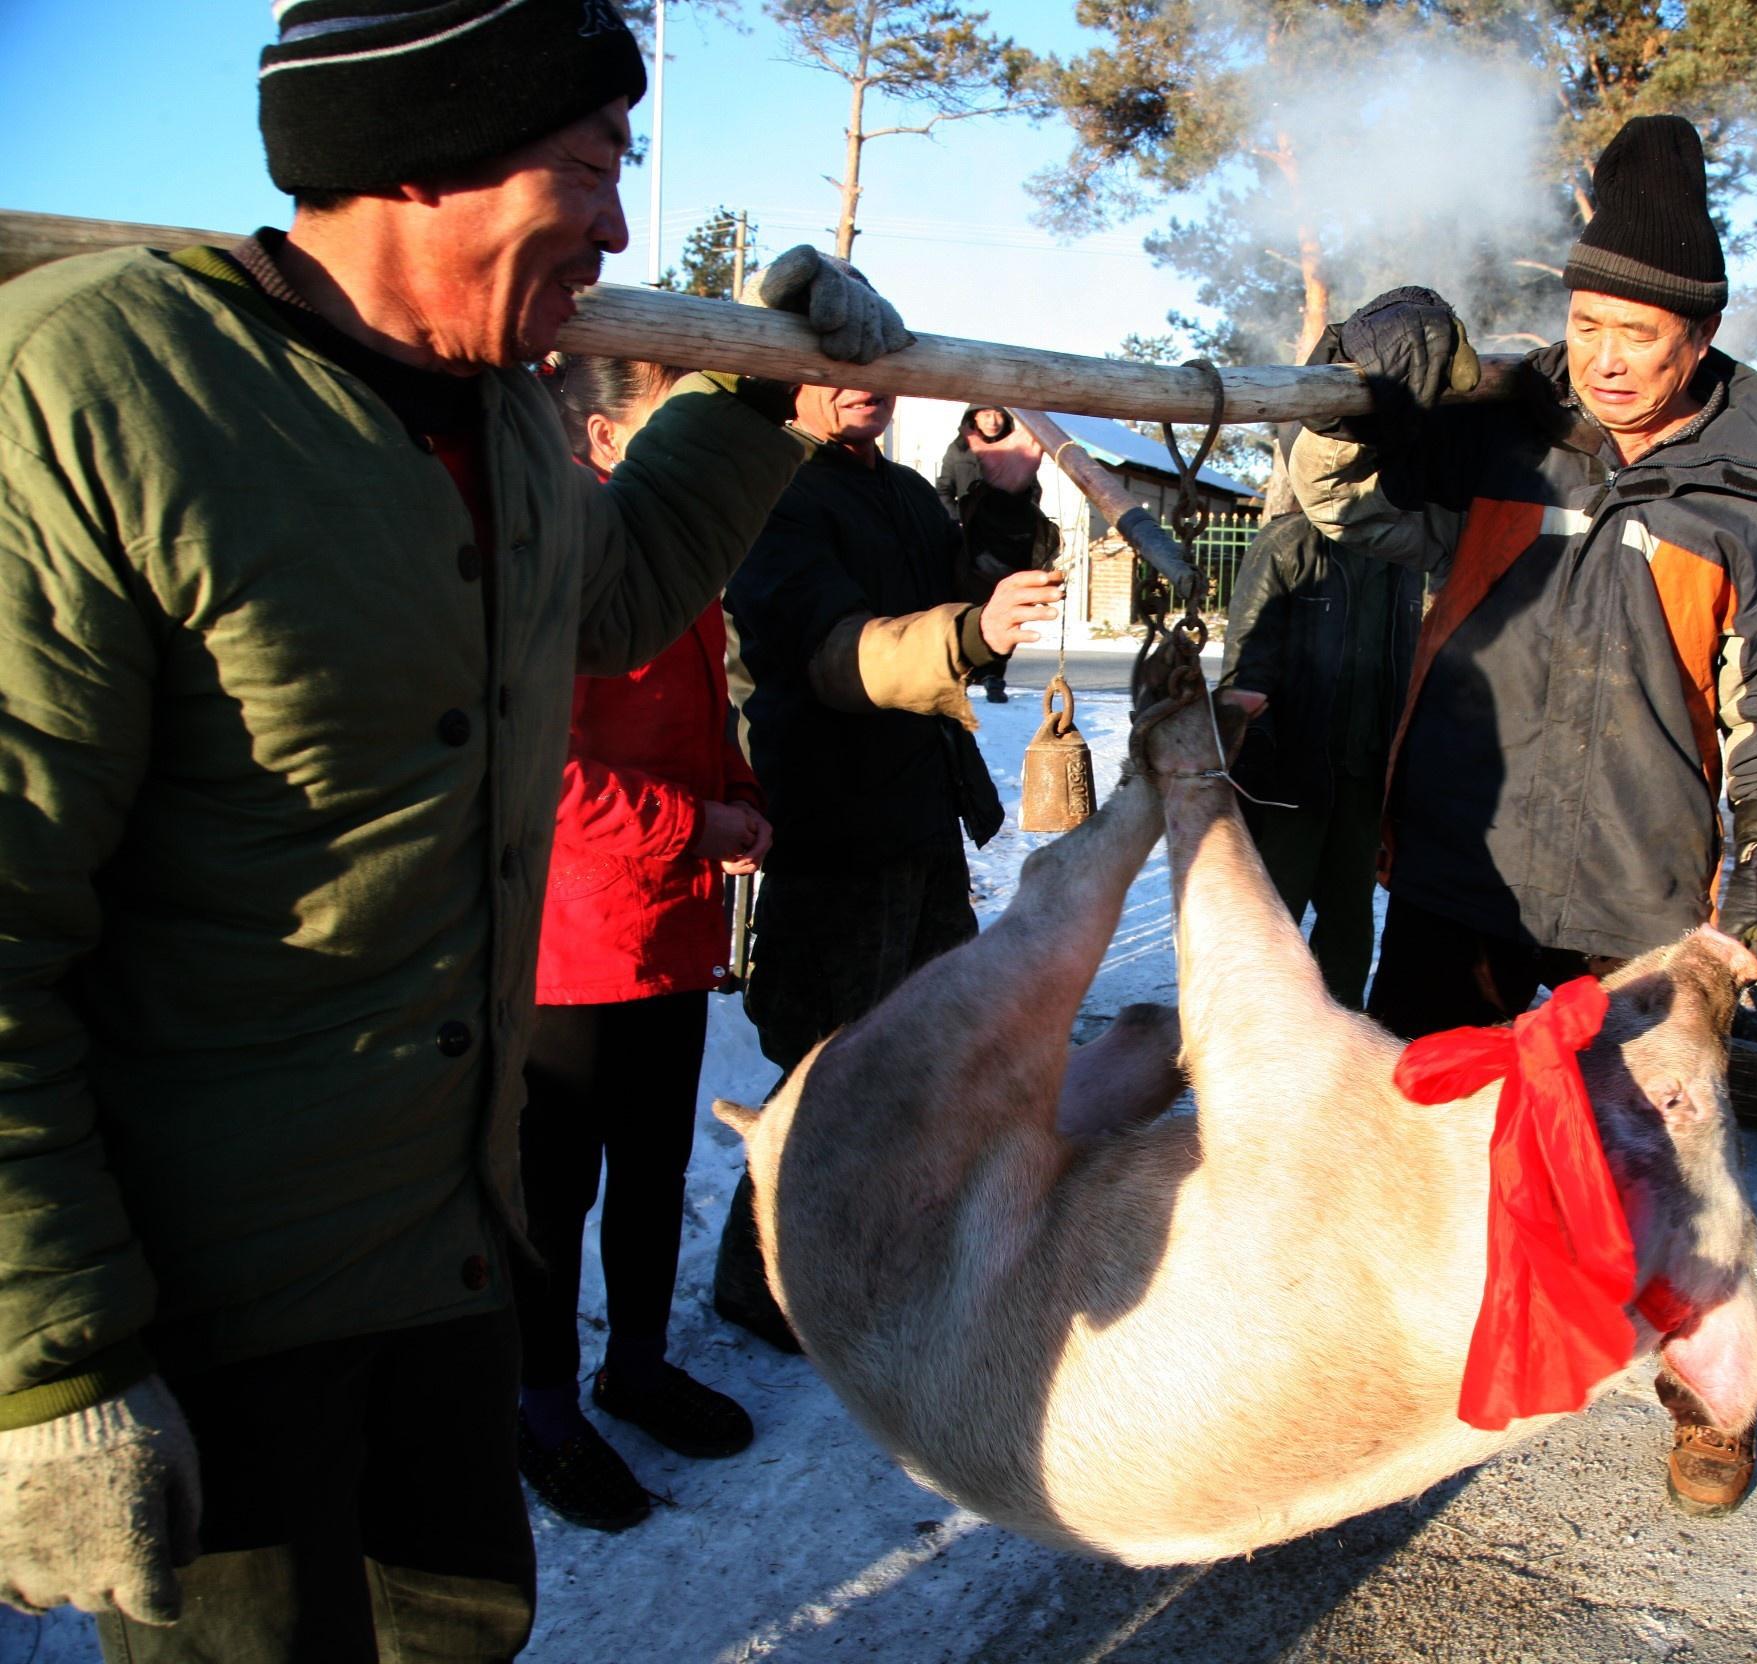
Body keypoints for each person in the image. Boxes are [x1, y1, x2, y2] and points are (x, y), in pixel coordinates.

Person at [0, 1, 906, 1652]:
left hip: (450, 1258)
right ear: (416, 156)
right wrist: (43, 1356)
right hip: (218, 1305)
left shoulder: (507, 415)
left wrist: (753, 402)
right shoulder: (98, 391)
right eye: (587, 163)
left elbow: (613, 593)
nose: (623, 223)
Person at [1286, 113, 1757, 1514]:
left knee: (1677, 1188)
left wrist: (1754, 920)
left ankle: (1708, 1400)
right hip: (1456, 878)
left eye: (1640, 335)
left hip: (1644, 920)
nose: (1605, 357)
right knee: (1427, 1164)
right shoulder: (1494, 442)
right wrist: (1351, 379)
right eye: (1587, 320)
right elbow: (1340, 501)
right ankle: (1391, 1396)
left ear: (1701, 339)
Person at [709, 381, 1065, 1350]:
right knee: (822, 1064)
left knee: (933, 1043)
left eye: (876, 356)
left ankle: (885, 1242)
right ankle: (759, 1276)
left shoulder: (905, 493)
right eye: (832, 360)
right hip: (826, 820)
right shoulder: (771, 493)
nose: (860, 379)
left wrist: (1003, 494)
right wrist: (965, 632)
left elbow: (977, 590)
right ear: (785, 373)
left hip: (919, 810)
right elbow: (833, 655)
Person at [514, 354, 773, 1534]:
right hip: (568, 949)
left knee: (654, 1169)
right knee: (551, 1192)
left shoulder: (676, 566)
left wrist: (738, 792)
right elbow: (544, 777)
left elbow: (705, 713)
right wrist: (694, 822)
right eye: (679, 413)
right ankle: (541, 1404)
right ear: (614, 438)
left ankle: (636, 1363)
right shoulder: (548, 550)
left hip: (669, 931)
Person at [1216, 492, 1428, 1006]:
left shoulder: (1404, 548)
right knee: (1273, 920)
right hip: (1291, 776)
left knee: (1350, 923)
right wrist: (1250, 747)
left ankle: (1339, 1039)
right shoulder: (1289, 542)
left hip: (1364, 773)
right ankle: (1258, 1036)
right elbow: (1246, 660)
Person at [936, 406, 1062, 704]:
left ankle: (995, 674)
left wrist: (1011, 497)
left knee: (1005, 606)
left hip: (1006, 541)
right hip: (966, 542)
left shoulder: (1019, 450)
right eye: (985, 413)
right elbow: (944, 489)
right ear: (972, 418)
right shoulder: (958, 451)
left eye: (997, 413)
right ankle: (961, 670)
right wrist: (958, 519)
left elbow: (1032, 494)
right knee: (963, 603)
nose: (992, 420)